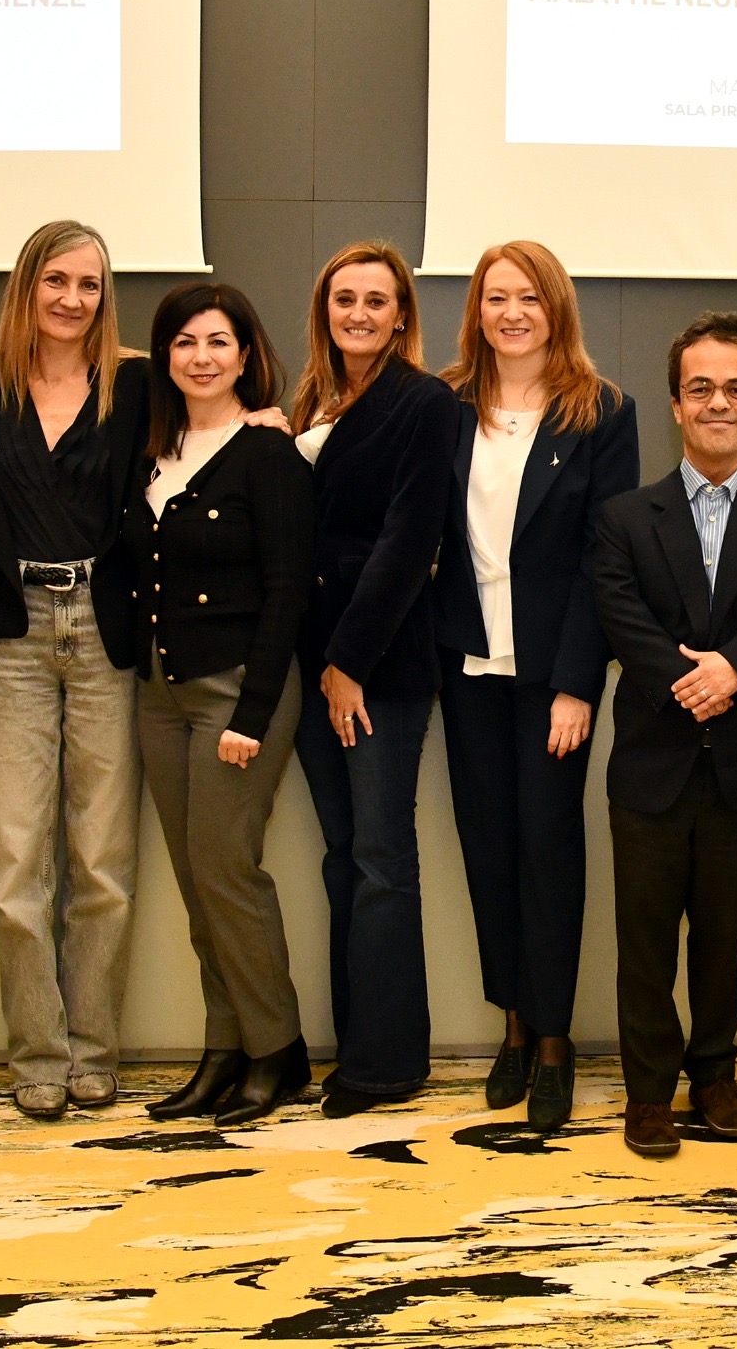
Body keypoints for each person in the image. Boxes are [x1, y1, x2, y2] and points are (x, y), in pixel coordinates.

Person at [592, 313, 737, 1159]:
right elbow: (618, 611)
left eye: (736, 389)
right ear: (676, 405)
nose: (717, 403)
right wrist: (692, 682)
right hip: (652, 761)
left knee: (721, 938)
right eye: (701, 389)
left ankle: (715, 1078)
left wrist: (734, 670)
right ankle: (649, 1094)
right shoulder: (624, 516)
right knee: (646, 941)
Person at [435, 241, 639, 1132]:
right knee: (488, 848)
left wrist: (577, 684)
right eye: (494, 298)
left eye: (528, 298)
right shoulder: (444, 405)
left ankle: (555, 1040)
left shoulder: (602, 412)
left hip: (552, 675)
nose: (511, 313)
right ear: (477, 311)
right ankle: (512, 1025)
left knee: (549, 850)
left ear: (556, 307)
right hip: (467, 664)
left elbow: (607, 561)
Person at [0, 220, 152, 1119]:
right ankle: (37, 1051)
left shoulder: (138, 384)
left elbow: (221, 417)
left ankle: (95, 1049)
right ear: (27, 287)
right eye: (56, 282)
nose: (73, 299)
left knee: (104, 858)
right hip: (10, 632)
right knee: (17, 859)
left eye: (89, 285)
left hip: (104, 627)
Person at [131, 282, 318, 1129]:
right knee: (197, 880)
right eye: (183, 343)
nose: (200, 357)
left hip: (237, 695)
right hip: (160, 697)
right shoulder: (152, 449)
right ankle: (225, 1048)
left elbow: (289, 591)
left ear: (247, 355)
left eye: (218, 342)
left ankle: (277, 1051)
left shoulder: (268, 453)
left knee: (228, 872)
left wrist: (252, 712)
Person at [291, 240, 464, 1117]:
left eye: (376, 301)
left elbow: (409, 544)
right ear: (325, 308)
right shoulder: (312, 401)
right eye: (344, 298)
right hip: (315, 665)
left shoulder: (424, 402)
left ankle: (391, 1063)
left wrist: (349, 665)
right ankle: (356, 1043)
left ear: (402, 315)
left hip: (379, 668)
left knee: (383, 860)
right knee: (341, 860)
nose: (358, 313)